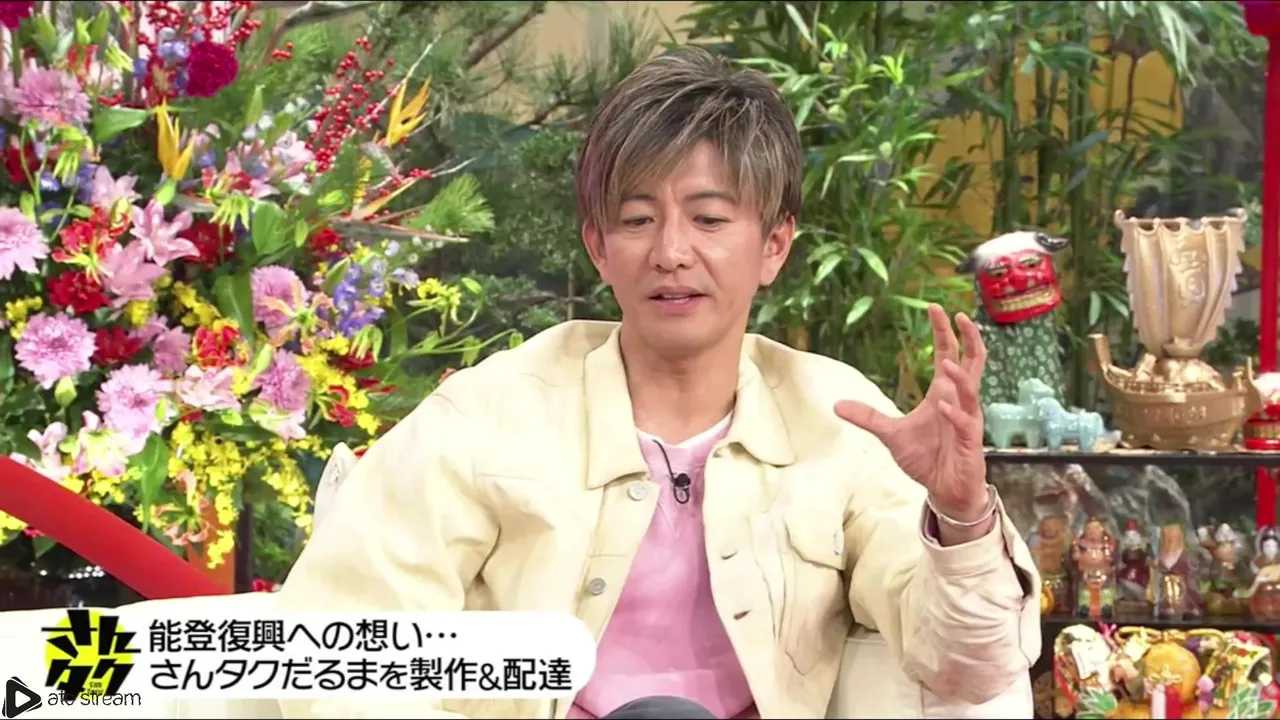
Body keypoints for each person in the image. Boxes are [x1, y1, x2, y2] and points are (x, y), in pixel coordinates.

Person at [277, 46, 1041, 720]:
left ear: (774, 245)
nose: (671, 252)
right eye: (639, 220)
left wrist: (962, 516)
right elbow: (341, 646)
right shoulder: (487, 416)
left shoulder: (839, 423)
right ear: (598, 246)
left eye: (709, 220)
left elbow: (970, 671)